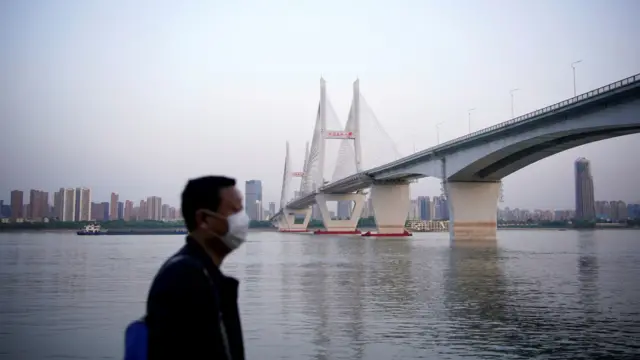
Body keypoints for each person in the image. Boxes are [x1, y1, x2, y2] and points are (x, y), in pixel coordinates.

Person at [145, 176, 249, 360]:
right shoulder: (184, 279)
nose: (243, 219)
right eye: (234, 210)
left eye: (242, 209)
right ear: (203, 219)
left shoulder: (203, 274)